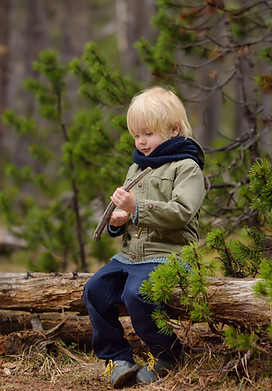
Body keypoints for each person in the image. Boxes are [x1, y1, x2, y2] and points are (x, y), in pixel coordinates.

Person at [83, 86, 206, 389]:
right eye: (136, 135)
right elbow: (129, 217)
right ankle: (118, 357)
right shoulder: (137, 167)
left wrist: (137, 208)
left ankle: (167, 355)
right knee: (95, 290)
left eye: (148, 133)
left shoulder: (187, 168)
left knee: (137, 294)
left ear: (174, 129)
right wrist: (118, 221)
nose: (141, 141)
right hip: (131, 255)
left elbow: (182, 212)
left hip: (168, 254)